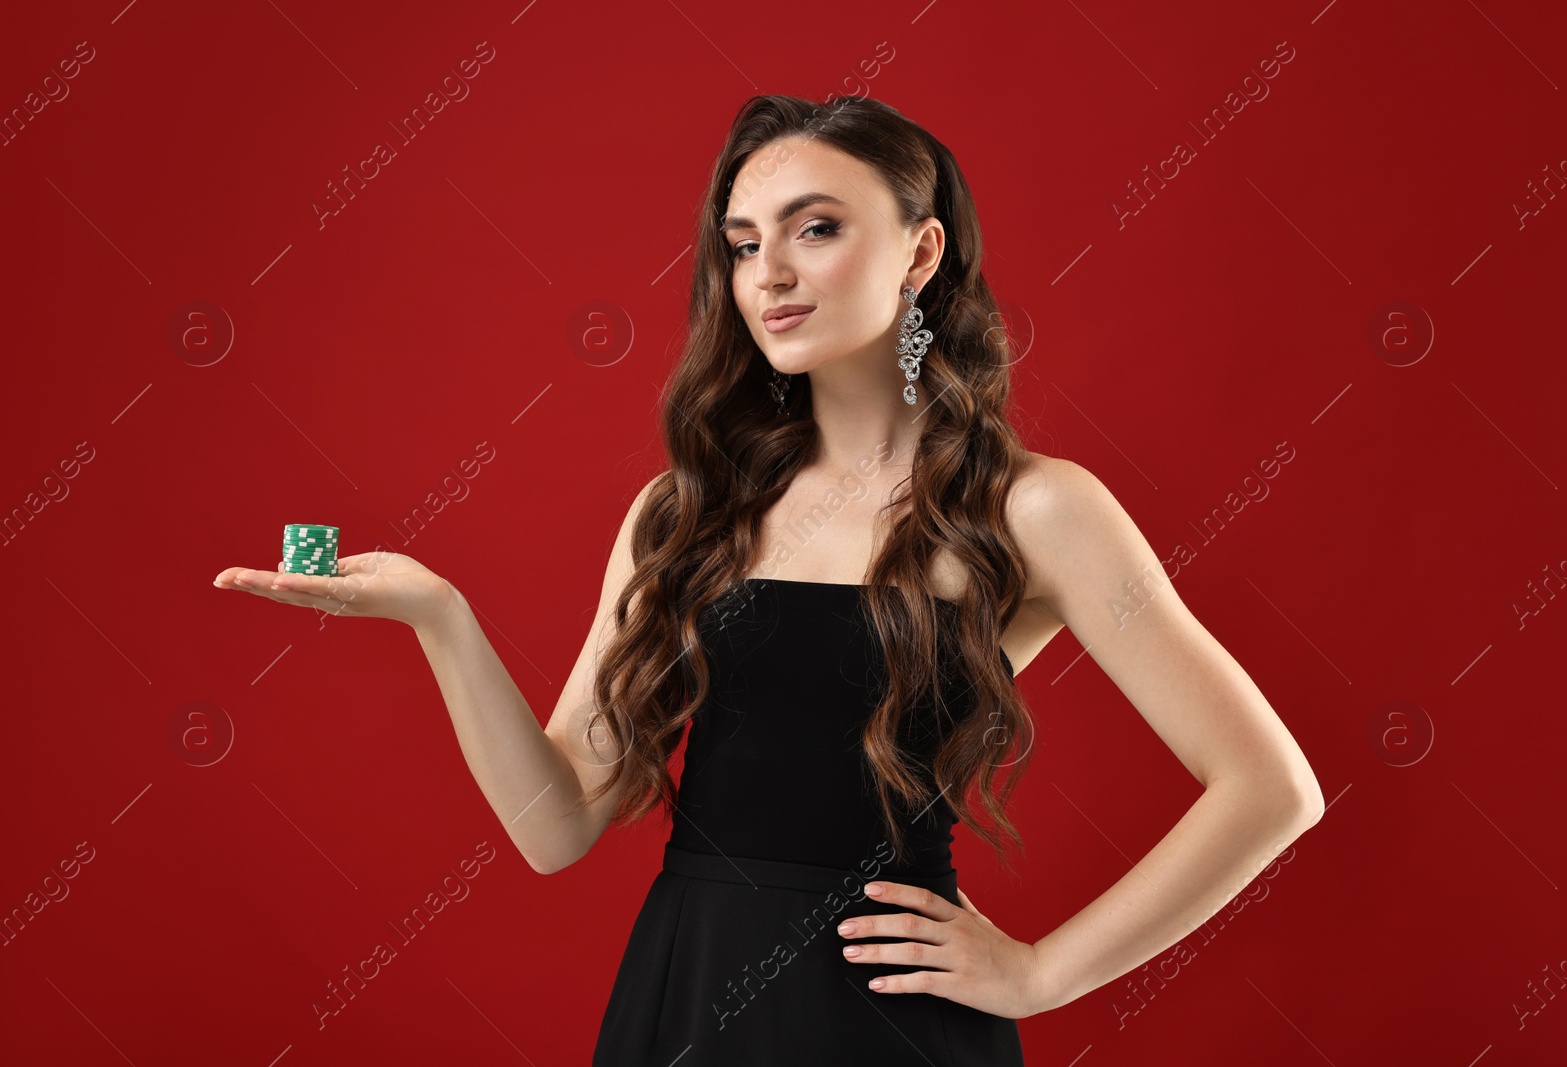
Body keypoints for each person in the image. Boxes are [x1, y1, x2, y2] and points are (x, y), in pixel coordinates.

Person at [214, 94, 1324, 1065]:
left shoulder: (1036, 509)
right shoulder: (686, 510)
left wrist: (1041, 971)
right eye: (742, 244)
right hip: (683, 992)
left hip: (887, 1015)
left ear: (920, 251)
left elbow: (1270, 786)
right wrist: (440, 617)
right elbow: (555, 828)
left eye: (817, 229)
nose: (769, 274)